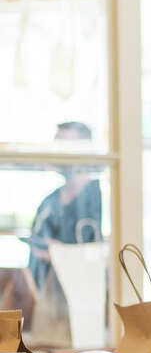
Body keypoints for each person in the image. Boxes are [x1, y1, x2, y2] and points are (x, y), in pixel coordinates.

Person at [27, 121, 102, 289]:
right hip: (48, 294)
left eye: (64, 146)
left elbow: (104, 256)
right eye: (56, 146)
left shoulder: (100, 199)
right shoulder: (49, 203)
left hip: (86, 295)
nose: (57, 153)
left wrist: (61, 254)